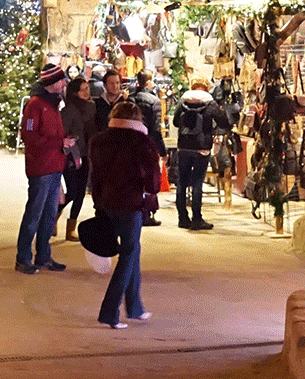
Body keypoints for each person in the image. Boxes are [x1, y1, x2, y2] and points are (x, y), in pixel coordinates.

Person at [88, 101, 160, 329]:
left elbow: (96, 176)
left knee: (133, 250)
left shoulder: (99, 140)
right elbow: (153, 178)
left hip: (108, 202)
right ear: (138, 118)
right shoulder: (143, 142)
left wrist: (98, 202)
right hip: (131, 203)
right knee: (128, 254)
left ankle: (135, 306)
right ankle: (109, 312)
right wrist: (150, 195)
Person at [15, 62, 75, 274]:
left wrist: (63, 142)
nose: (64, 84)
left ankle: (43, 256)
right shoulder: (35, 105)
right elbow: (30, 137)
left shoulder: (53, 104)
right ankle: (23, 258)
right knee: (34, 214)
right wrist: (59, 144)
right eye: (61, 81)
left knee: (49, 215)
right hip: (41, 168)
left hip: (54, 166)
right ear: (51, 83)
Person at [173, 81, 231, 229]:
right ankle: (197, 219)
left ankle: (182, 218)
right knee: (197, 182)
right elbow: (223, 122)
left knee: (182, 181)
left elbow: (175, 122)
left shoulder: (183, 101)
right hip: (202, 147)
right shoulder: (210, 104)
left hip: (184, 146)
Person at [58, 75, 99, 241]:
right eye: (82, 90)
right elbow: (63, 131)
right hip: (72, 156)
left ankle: (71, 228)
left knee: (80, 193)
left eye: (87, 88)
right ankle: (54, 214)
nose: (86, 92)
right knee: (73, 191)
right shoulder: (69, 110)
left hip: (86, 154)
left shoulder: (91, 107)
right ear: (74, 92)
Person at [130, 71, 168, 227]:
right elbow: (156, 128)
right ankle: (146, 213)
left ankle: (136, 210)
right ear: (148, 82)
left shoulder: (130, 99)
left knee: (133, 178)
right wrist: (162, 150)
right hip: (148, 143)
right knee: (148, 179)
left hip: (131, 143)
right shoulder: (154, 101)